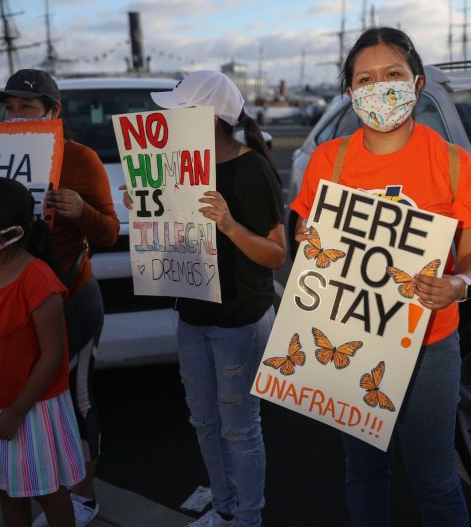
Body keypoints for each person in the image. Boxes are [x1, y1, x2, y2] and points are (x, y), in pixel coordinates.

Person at [290, 27, 471, 527]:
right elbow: (305, 235)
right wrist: (307, 238)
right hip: (350, 336)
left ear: (417, 82)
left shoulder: (450, 163)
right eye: (366, 78)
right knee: (364, 468)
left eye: (393, 75)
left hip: (430, 343)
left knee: (435, 478)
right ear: (350, 92)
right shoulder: (328, 160)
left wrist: (457, 286)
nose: (380, 86)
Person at [122, 70, 286, 527]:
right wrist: (146, 209)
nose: (167, 119)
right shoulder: (173, 164)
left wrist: (229, 224)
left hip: (239, 319)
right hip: (191, 313)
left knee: (239, 427)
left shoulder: (250, 167)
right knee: (204, 422)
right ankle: (226, 508)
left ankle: (248, 518)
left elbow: (276, 255)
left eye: (177, 111)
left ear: (208, 118)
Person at [0, 69, 120, 527]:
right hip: (15, 304)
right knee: (30, 402)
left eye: (26, 107)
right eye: (9, 107)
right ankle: (39, 486)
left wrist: (81, 211)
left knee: (76, 399)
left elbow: (109, 232)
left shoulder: (80, 159)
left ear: (53, 112)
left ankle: (84, 496)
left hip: (70, 300)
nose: (14, 116)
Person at [0, 178, 85, 527]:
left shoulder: (37, 279)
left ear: (13, 230)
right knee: (7, 489)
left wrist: (15, 412)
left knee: (47, 491)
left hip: (31, 411)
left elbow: (52, 354)